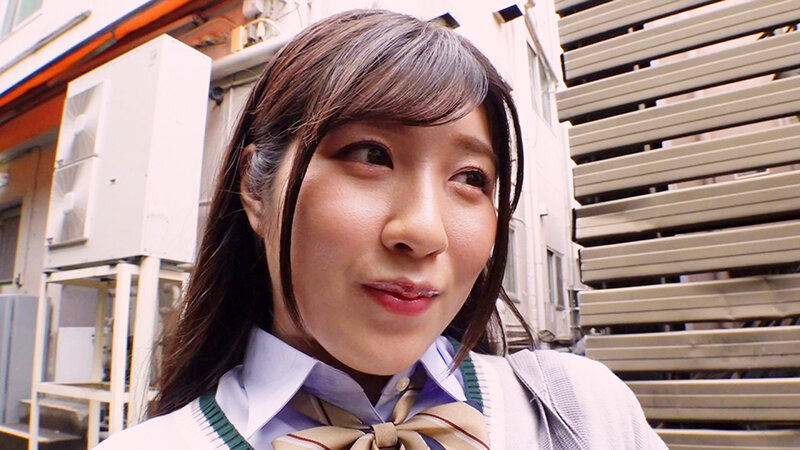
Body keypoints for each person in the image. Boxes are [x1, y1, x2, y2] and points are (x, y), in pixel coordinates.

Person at [97, 9, 667, 449]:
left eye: (471, 178)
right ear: (255, 188)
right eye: (371, 154)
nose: (424, 231)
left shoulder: (580, 412)